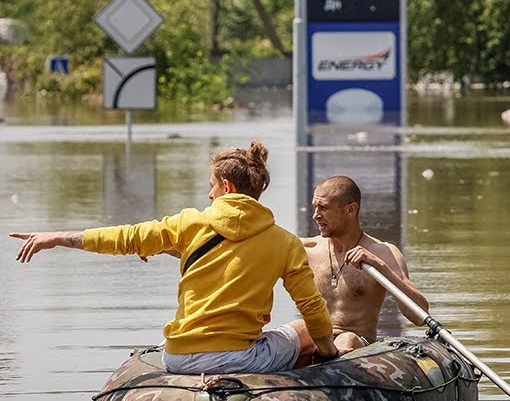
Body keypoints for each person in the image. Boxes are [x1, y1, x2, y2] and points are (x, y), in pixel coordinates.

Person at [10, 141, 338, 373]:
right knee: (302, 329)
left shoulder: (188, 224)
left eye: (211, 186)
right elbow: (312, 307)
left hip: (179, 357)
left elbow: (123, 237)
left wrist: (58, 238)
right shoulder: (285, 242)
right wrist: (329, 355)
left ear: (226, 186)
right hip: (242, 359)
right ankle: (291, 383)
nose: (208, 194)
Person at [288, 176, 430, 355]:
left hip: (358, 346)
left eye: (323, 208)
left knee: (346, 338)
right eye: (315, 207)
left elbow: (419, 316)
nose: (315, 215)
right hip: (316, 339)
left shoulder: (383, 253)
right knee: (296, 328)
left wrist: (379, 266)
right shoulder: (305, 249)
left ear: (351, 210)